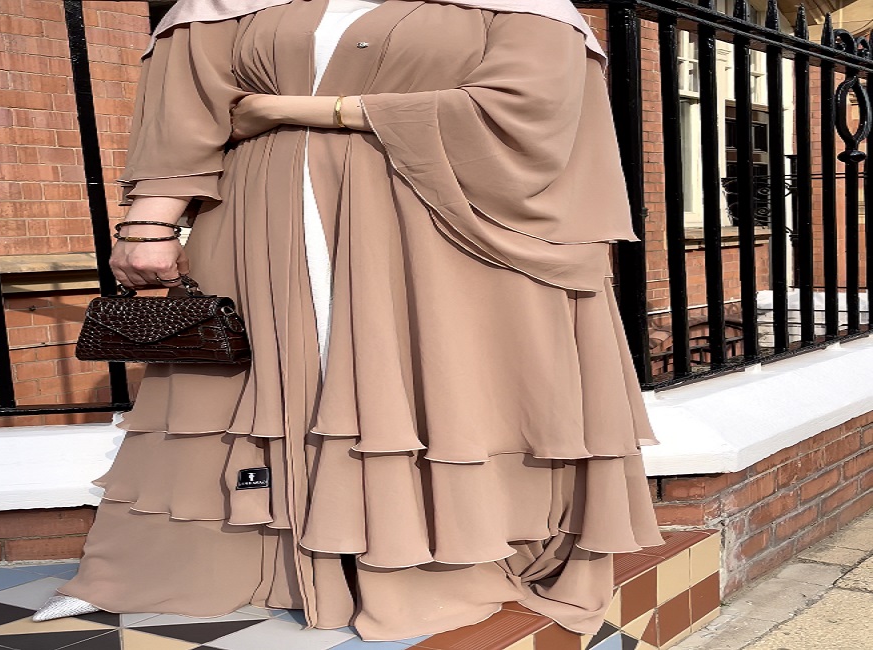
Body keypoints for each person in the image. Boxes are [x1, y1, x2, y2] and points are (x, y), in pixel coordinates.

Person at [35, 0, 665, 641]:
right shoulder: (227, 5)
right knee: (259, 385)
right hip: (262, 222)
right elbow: (186, 111)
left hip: (442, 228)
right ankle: (252, 560)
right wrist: (148, 225)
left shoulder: (518, 6)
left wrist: (295, 109)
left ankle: (433, 560)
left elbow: (529, 110)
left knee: (432, 384)